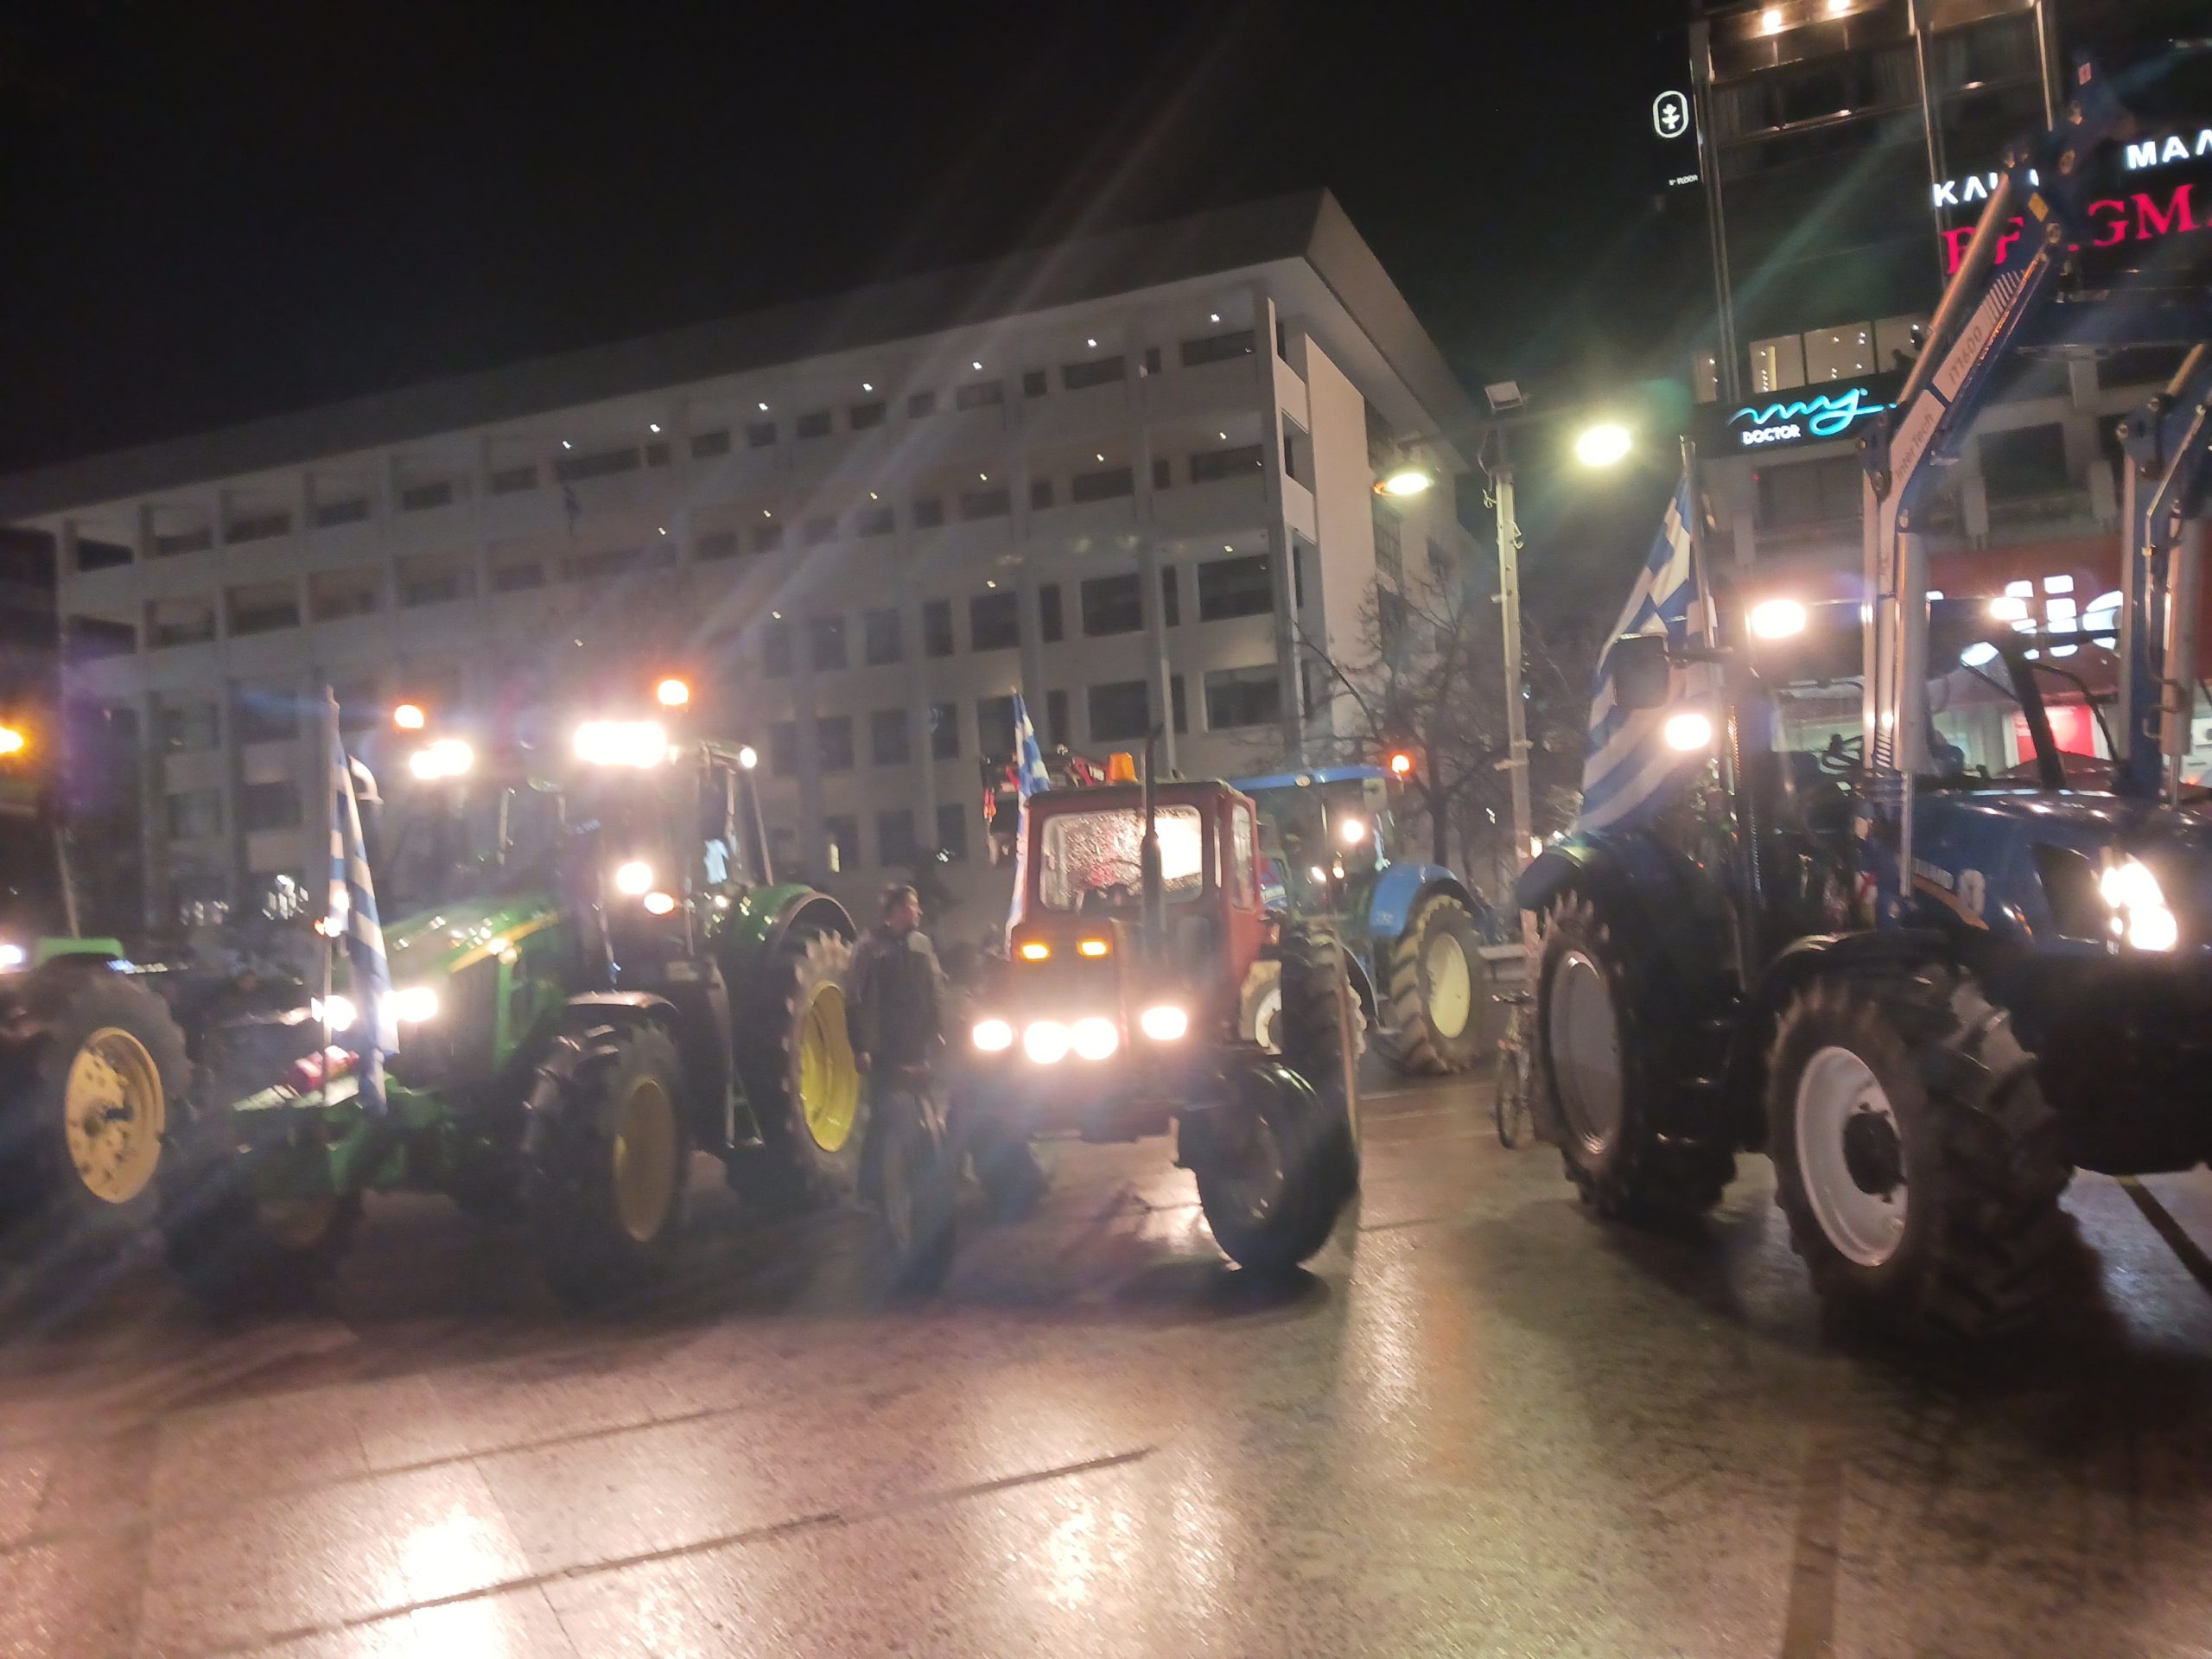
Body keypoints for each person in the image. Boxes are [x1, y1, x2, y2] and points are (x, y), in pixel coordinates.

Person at [843, 883, 944, 1083]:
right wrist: (860, 1047)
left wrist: (937, 1029)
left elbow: (935, 989)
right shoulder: (869, 947)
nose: (919, 911)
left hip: (918, 1048)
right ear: (898, 910)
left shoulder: (922, 945)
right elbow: (853, 997)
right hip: (883, 1052)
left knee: (921, 1104)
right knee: (890, 1106)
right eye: (913, 905)